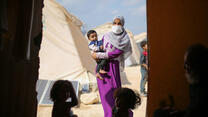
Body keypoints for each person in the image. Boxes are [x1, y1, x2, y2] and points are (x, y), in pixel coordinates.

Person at [91, 16, 132, 117]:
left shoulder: (124, 39)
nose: (116, 25)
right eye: (115, 23)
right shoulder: (106, 35)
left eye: (119, 23)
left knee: (115, 93)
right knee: (106, 96)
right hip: (103, 67)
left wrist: (99, 55)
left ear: (123, 25)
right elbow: (100, 48)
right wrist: (95, 57)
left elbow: (116, 53)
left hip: (113, 67)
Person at [153, 44, 208, 117]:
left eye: (187, 64)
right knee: (159, 112)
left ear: (196, 65)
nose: (184, 68)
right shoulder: (194, 81)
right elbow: (192, 109)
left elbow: (196, 111)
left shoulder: (202, 89)